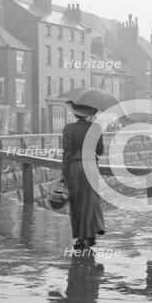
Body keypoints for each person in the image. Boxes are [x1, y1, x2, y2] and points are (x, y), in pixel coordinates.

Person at [61, 102, 105, 249]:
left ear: (75, 113)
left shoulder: (69, 128)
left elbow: (66, 153)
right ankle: (91, 235)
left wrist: (64, 174)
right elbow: (100, 151)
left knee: (76, 203)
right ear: (89, 114)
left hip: (75, 167)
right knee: (91, 201)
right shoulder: (95, 128)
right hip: (90, 167)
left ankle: (80, 238)